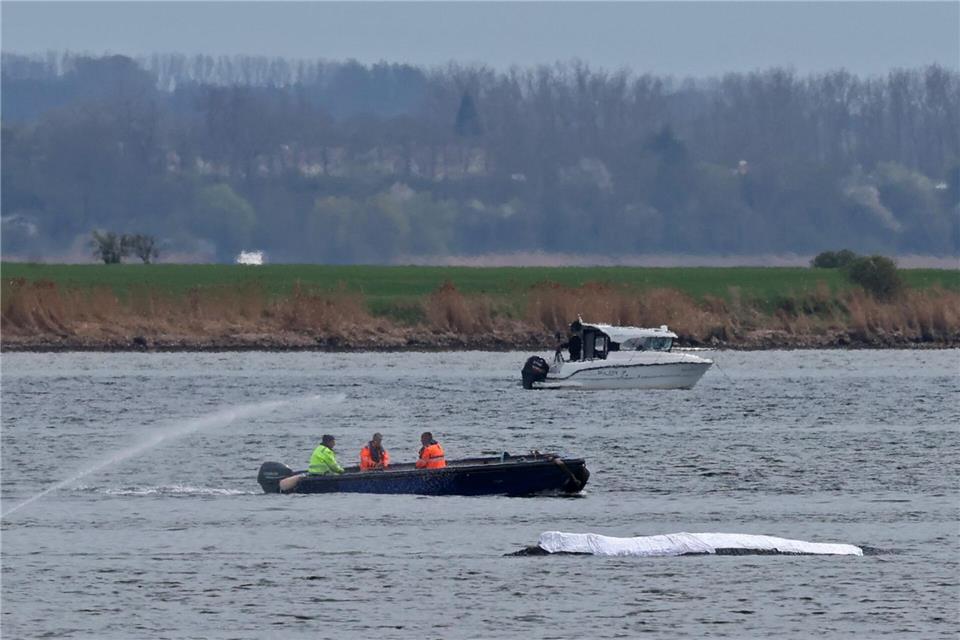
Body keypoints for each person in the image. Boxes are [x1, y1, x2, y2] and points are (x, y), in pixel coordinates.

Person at [278, 434, 344, 492]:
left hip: (314, 473)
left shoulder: (319, 448)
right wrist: (341, 471)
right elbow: (333, 465)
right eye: (333, 442)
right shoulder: (326, 451)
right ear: (329, 442)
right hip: (322, 474)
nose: (334, 444)